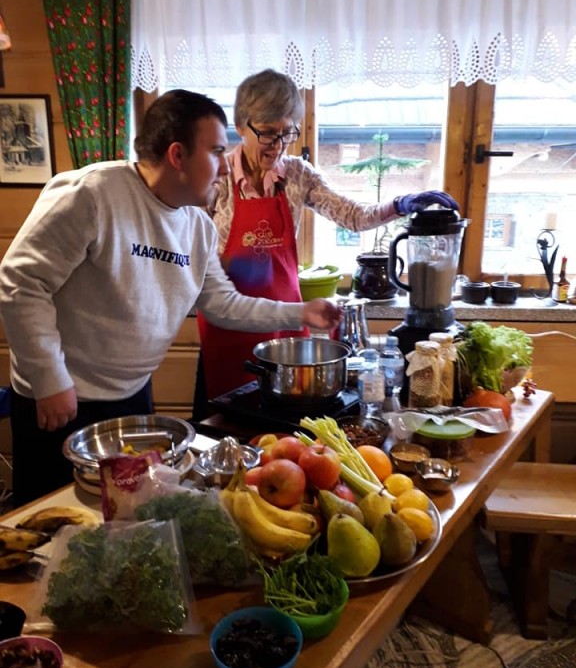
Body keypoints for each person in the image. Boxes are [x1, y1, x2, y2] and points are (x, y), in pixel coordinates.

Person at [0, 89, 340, 507]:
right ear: (178, 155)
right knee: (48, 524)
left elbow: (223, 304)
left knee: (127, 522)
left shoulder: (197, 227)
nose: (224, 165)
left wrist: (301, 311)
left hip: (132, 398)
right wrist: (49, 378)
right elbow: (21, 283)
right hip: (61, 399)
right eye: (216, 151)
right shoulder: (92, 194)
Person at [193, 68, 459, 418]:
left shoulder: (297, 174)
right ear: (241, 126)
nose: (279, 145)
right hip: (230, 325)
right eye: (268, 133)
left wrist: (400, 205)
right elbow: (192, 253)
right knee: (229, 423)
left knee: (287, 424)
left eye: (287, 132)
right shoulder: (218, 178)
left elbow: (351, 215)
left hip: (287, 324)